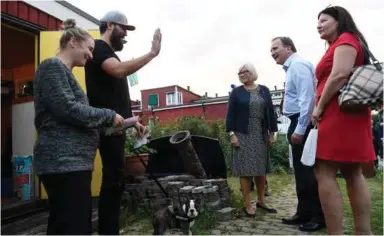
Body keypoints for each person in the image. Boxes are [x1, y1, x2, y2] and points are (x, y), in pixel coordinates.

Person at [33, 19, 124, 235]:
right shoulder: (51, 67)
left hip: (72, 164)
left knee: (67, 225)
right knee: (73, 227)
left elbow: (75, 120)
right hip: (63, 163)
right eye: (90, 49)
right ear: (73, 42)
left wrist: (115, 126)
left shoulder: (63, 73)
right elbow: (69, 110)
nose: (92, 56)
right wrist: (108, 115)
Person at [84, 11, 162, 235]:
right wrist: (152, 53)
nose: (126, 35)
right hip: (107, 129)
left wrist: (133, 123)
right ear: (109, 26)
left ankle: (110, 230)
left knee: (116, 182)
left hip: (117, 127)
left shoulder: (108, 52)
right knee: (112, 182)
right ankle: (109, 232)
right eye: (123, 29)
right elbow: (117, 71)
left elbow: (114, 95)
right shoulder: (99, 48)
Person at [312, 6, 376, 234]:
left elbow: (339, 74)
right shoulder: (344, 42)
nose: (318, 25)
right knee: (352, 173)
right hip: (349, 114)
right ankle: (363, 231)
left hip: (338, 114)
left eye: (323, 20)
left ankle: (337, 233)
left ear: (338, 20)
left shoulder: (346, 40)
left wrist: (319, 108)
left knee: (325, 172)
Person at [270, 37, 325, 232]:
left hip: (301, 123)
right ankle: (303, 212)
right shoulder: (293, 67)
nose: (272, 52)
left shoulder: (298, 65)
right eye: (271, 49)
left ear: (288, 48)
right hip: (296, 121)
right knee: (301, 173)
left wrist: (301, 128)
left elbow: (307, 99)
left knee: (308, 172)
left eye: (276, 48)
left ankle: (317, 216)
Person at [226, 63, 278, 216]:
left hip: (260, 133)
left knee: (260, 170)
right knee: (246, 170)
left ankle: (261, 201)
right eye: (240, 72)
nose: (242, 74)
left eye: (245, 71)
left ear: (252, 72)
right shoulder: (236, 92)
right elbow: (230, 115)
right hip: (242, 133)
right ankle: (247, 204)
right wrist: (232, 134)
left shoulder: (264, 90)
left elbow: (271, 112)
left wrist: (271, 132)